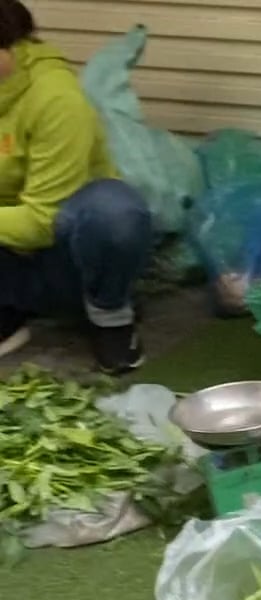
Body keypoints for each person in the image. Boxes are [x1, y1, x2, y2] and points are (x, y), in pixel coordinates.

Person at [0, 0, 151, 373]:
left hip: (60, 250)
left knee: (114, 213)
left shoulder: (55, 99)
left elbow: (40, 222)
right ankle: (11, 313)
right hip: (6, 248)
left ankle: (110, 315)